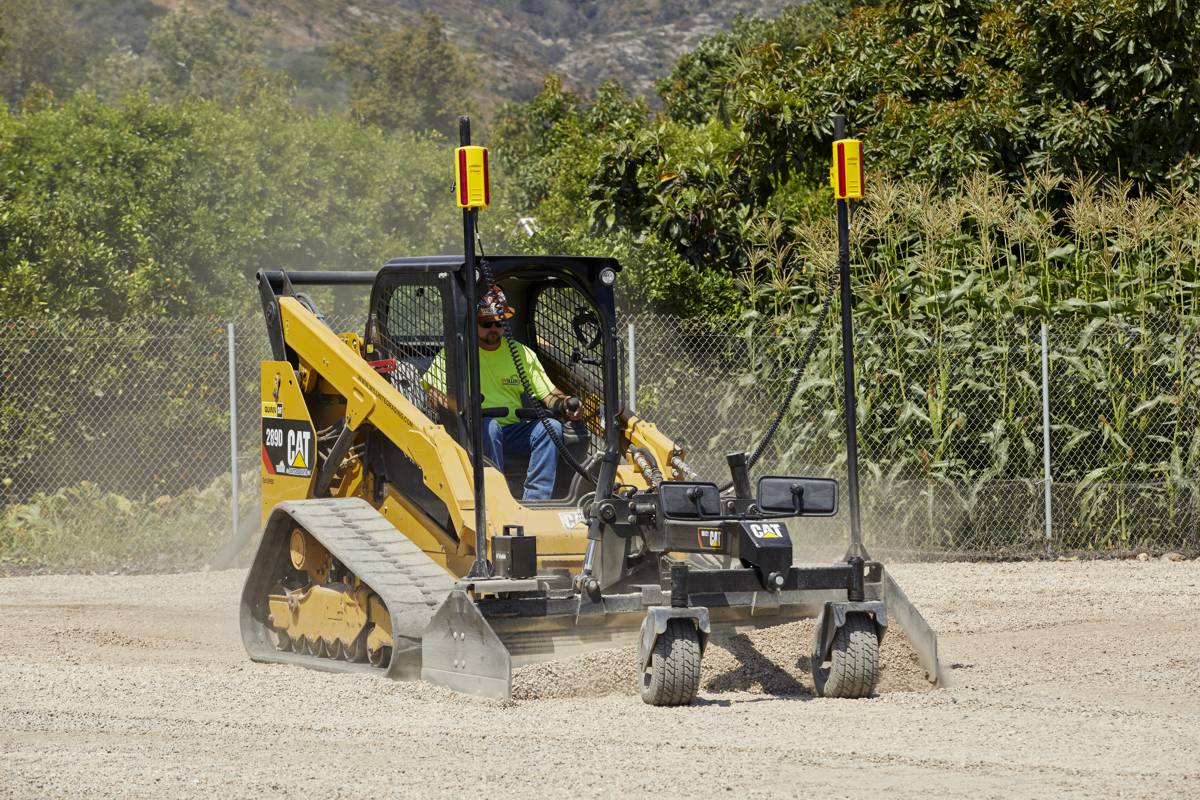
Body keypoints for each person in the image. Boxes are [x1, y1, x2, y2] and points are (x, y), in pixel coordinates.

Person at [421, 285, 583, 501]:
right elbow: (433, 394)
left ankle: (536, 499)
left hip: (514, 430)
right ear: (473, 323)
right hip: (475, 431)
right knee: (491, 427)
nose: (494, 329)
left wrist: (565, 404)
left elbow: (549, 395)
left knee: (551, 426)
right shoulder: (455, 354)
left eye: (499, 323)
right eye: (486, 324)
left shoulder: (521, 353)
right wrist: (462, 406)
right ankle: (496, 497)